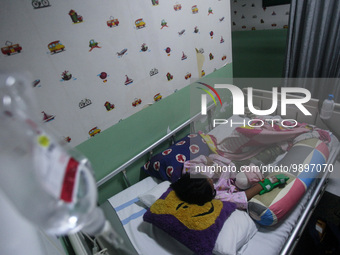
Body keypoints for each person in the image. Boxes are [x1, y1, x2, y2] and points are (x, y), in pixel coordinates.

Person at [170, 173, 288, 209]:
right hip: (241, 183)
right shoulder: (218, 199)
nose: (209, 178)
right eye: (208, 180)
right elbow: (244, 197)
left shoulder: (191, 183)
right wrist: (265, 184)